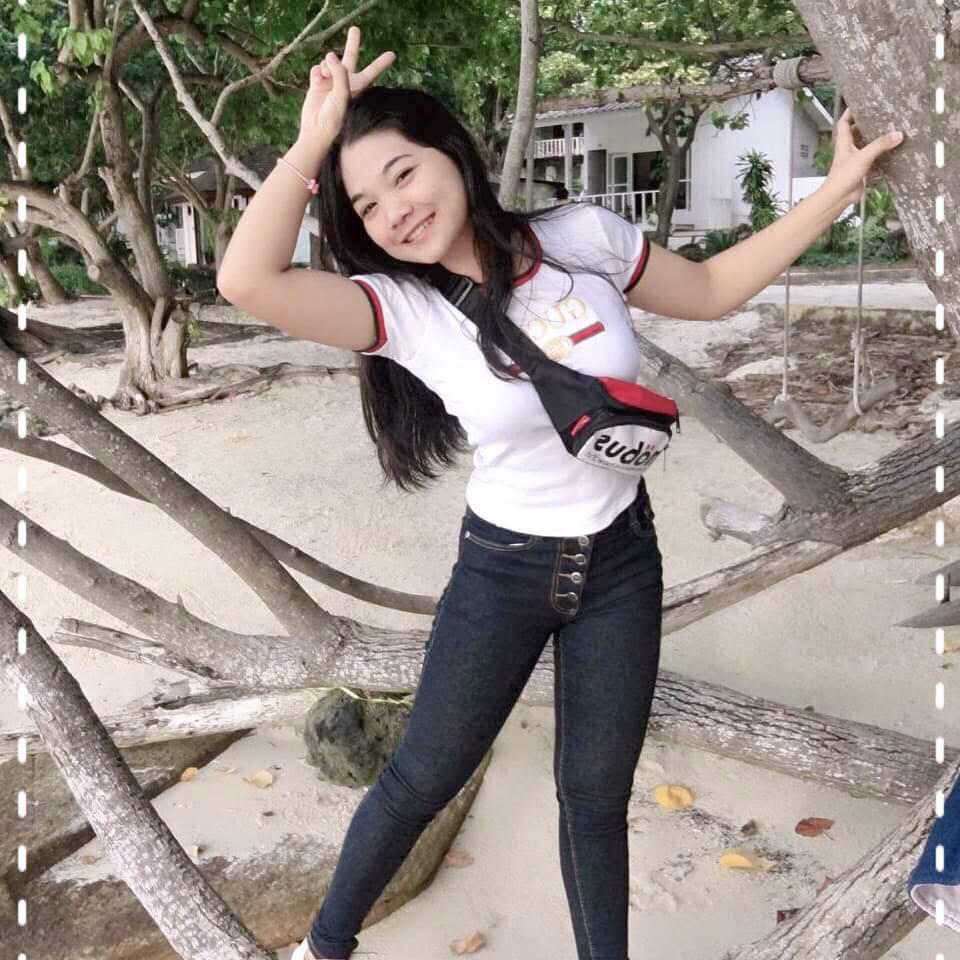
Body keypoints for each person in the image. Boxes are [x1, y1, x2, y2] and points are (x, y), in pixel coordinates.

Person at [217, 26, 904, 960]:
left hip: (621, 559)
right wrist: (310, 144)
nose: (395, 212)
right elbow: (246, 279)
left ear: (452, 153)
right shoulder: (400, 310)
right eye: (367, 205)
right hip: (502, 572)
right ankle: (323, 949)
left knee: (594, 797)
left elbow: (708, 289)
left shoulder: (581, 238)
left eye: (404, 175)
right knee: (421, 779)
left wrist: (835, 190)